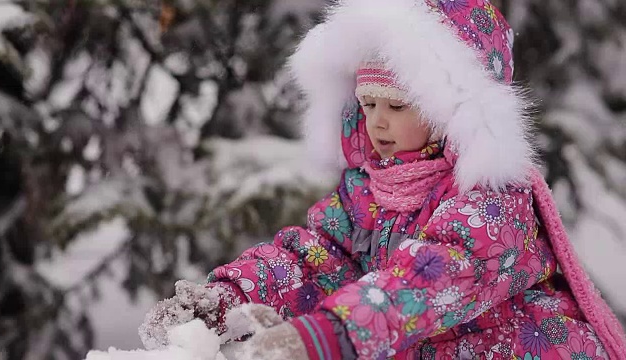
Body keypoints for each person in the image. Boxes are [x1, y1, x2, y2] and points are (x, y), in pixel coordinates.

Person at [139, 0, 626, 359]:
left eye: (396, 106)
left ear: (448, 112)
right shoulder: (370, 190)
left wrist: (328, 335)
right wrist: (228, 298)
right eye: (368, 105)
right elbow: (313, 260)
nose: (377, 123)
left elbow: (424, 282)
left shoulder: (494, 202)